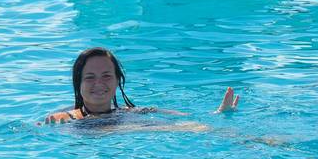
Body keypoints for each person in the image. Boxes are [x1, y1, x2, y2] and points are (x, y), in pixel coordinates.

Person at [44, 47, 239, 125]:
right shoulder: (69, 118)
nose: (99, 84)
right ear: (78, 83)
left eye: (106, 76)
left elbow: (191, 118)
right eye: (89, 77)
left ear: (117, 80)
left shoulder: (133, 112)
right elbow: (51, 122)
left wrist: (219, 115)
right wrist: (58, 120)